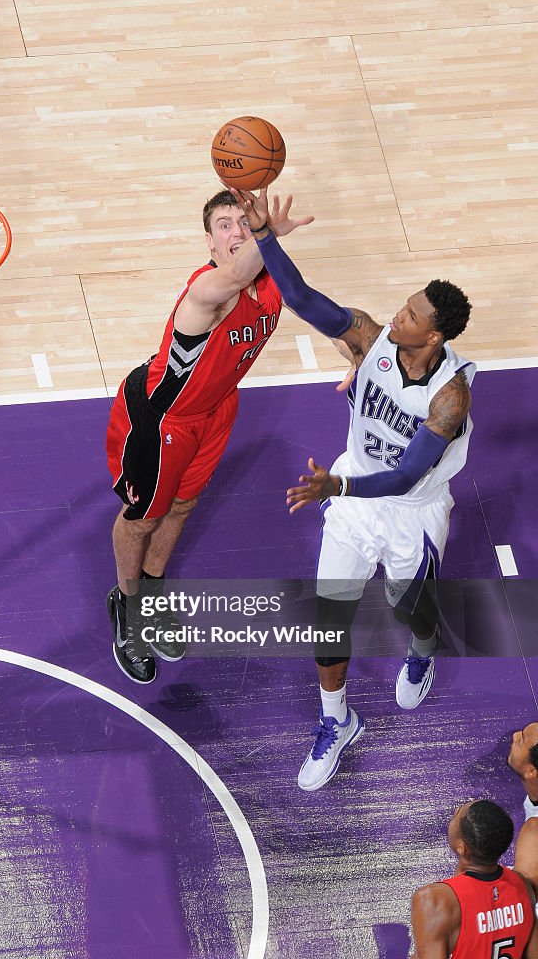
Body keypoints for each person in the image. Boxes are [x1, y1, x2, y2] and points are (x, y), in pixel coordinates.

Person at [232, 187, 474, 791]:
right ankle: (336, 720)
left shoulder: (448, 396)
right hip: (350, 501)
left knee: (409, 610)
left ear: (436, 336)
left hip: (410, 512)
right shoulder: (372, 338)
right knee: (328, 617)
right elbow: (302, 299)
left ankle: (422, 651)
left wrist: (337, 483)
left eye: (414, 315)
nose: (399, 315)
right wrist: (265, 236)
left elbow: (407, 475)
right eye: (405, 304)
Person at [105, 188, 315, 683]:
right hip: (163, 419)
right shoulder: (207, 290)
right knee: (141, 518)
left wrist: (357, 352)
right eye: (225, 224)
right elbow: (240, 272)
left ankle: (152, 589)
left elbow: (309, 302)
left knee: (182, 507)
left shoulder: (272, 281)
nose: (237, 230)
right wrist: (267, 234)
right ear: (210, 241)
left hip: (218, 409)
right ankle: (128, 605)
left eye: (245, 221)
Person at [411, 799, 538, 958]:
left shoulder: (435, 900)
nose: (455, 811)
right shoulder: (523, 886)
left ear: (462, 848)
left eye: (456, 815)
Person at [508, 721, 538, 895]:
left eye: (521, 740)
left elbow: (520, 899)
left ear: (531, 771)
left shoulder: (534, 832)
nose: (515, 736)